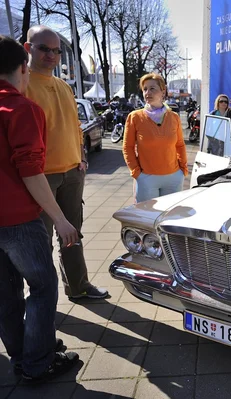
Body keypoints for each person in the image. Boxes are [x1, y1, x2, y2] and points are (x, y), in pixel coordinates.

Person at [0, 35, 80, 384]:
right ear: (22, 67)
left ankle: (24, 353)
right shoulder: (22, 109)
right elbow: (31, 169)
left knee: (6, 293)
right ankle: (38, 363)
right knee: (43, 287)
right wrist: (60, 219)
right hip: (18, 220)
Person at [24, 25, 108, 300]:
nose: (51, 55)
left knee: (73, 235)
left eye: (56, 50)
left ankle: (79, 286)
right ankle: (44, 300)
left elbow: (74, 126)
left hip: (72, 173)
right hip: (41, 178)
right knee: (41, 242)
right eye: (43, 49)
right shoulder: (22, 85)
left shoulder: (63, 86)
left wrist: (81, 159)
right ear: (28, 48)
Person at [123, 73, 188, 203]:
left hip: (173, 178)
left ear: (163, 91)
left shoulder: (174, 117)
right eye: (145, 89)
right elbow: (127, 148)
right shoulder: (135, 117)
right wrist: (137, 173)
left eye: (152, 88)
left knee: (169, 217)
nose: (148, 93)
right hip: (147, 178)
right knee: (147, 219)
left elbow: (180, 145)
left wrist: (183, 170)